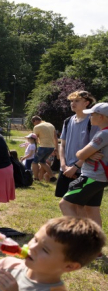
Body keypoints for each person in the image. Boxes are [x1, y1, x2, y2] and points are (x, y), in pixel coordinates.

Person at [60, 102, 108, 229]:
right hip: (101, 178)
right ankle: (96, 246)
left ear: (101, 117)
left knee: (65, 204)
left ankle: (79, 237)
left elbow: (80, 154)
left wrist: (84, 154)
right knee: (92, 210)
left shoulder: (103, 134)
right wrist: (88, 154)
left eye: (92, 115)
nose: (90, 117)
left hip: (91, 177)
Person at [56, 90, 99, 220]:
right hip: (66, 169)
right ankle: (77, 234)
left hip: (84, 170)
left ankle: (81, 235)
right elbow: (62, 145)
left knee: (82, 207)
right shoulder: (68, 121)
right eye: (71, 101)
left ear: (86, 103)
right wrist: (63, 165)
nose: (73, 103)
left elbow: (94, 148)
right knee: (69, 204)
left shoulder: (93, 121)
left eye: (77, 101)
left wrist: (75, 166)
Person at [31, 115, 59, 182]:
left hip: (43, 146)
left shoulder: (37, 127)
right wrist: (56, 148)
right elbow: (55, 137)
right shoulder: (51, 125)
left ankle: (36, 178)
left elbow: (35, 139)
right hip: (51, 147)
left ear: (35, 121)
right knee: (43, 162)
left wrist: (35, 148)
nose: (34, 124)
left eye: (33, 123)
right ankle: (52, 176)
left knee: (34, 162)